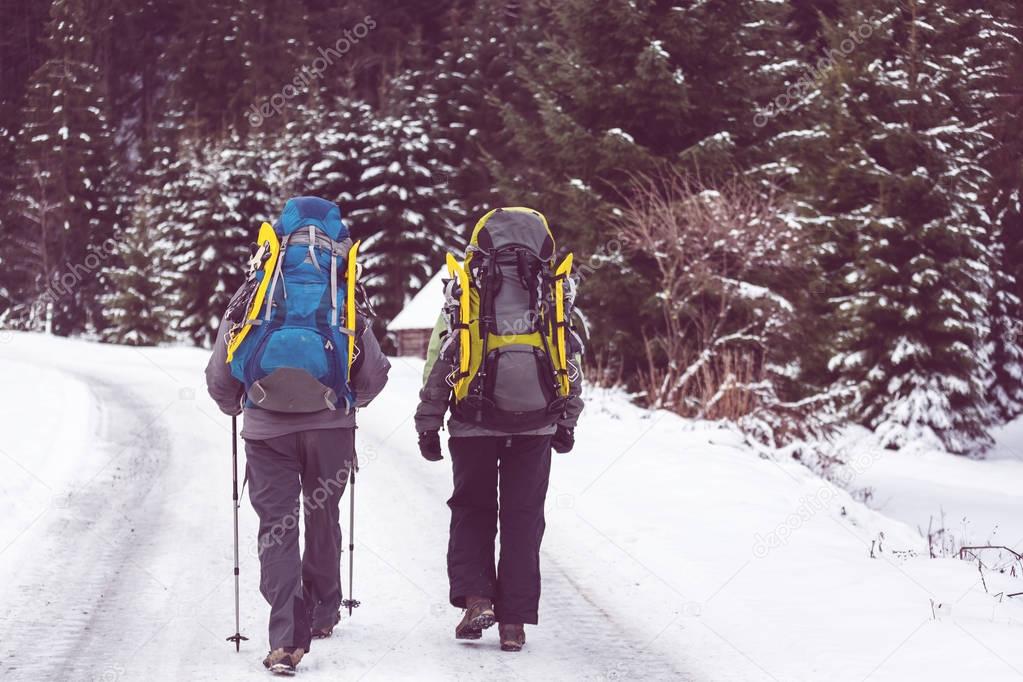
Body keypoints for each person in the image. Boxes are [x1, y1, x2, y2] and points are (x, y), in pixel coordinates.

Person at [205, 196, 389, 675]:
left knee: (278, 529)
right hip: (330, 428)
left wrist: (239, 404)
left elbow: (222, 373)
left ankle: (287, 638)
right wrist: (347, 401)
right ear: (336, 237)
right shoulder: (344, 286)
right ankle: (325, 610)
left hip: (266, 431)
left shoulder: (259, 285)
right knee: (322, 514)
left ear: (280, 235)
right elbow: (372, 376)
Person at [414, 207, 584, 652]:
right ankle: (514, 624)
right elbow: (569, 355)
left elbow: (443, 357)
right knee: (524, 517)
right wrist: (566, 419)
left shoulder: (469, 286)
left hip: (474, 421)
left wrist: (428, 422)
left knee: (472, 509)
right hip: (537, 423)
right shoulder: (550, 288)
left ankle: (477, 600)